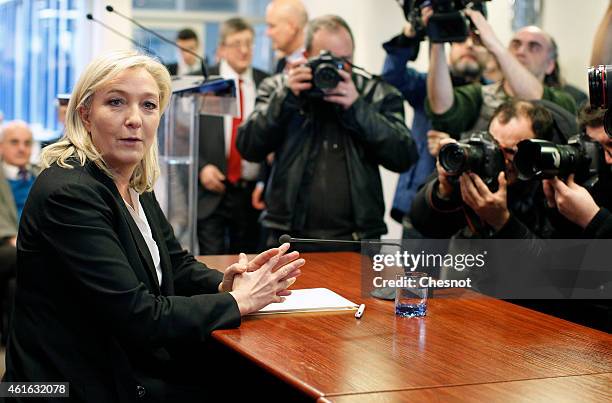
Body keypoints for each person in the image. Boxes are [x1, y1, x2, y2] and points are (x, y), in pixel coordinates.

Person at [3, 50, 304, 402]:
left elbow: (175, 264)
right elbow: (139, 315)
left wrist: (231, 282)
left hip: (117, 362)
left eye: (148, 106)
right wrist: (239, 301)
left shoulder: (129, 179)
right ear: (84, 114)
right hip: (64, 386)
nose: (135, 119)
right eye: (116, 103)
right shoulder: (69, 192)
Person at [237, 15, 417, 250]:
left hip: (357, 239)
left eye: (345, 60)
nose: (338, 69)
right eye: (328, 60)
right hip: (289, 237)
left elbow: (403, 156)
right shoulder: (278, 88)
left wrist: (357, 107)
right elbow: (249, 146)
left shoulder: (375, 92)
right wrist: (286, 99)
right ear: (308, 56)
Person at [382, 7, 488, 239]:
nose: (470, 46)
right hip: (421, 202)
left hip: (474, 211)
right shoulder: (425, 86)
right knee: (415, 275)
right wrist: (410, 34)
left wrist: (455, 147)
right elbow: (391, 78)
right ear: (449, 47)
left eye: (477, 41)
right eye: (461, 39)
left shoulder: (494, 97)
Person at [411, 100, 555, 240]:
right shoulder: (473, 158)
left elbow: (545, 260)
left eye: (510, 152)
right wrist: (443, 191)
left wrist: (501, 221)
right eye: (493, 145)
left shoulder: (550, 188)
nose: (498, 157)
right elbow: (423, 225)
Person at [427, 9, 576, 138]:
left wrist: (493, 43)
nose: (521, 51)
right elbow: (442, 109)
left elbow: (537, 100)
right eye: (516, 44)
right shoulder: (481, 95)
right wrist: (437, 41)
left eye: (533, 47)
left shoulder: (563, 101)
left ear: (550, 65)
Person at [197, 18, 269, 254]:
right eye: (237, 43)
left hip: (252, 192)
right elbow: (182, 133)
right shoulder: (205, 81)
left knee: (249, 261)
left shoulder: (265, 82)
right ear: (222, 48)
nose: (245, 50)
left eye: (249, 43)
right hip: (212, 187)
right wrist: (201, 167)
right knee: (213, 263)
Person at [543, 105, 612, 238]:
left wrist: (593, 219)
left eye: (611, 145)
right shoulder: (592, 183)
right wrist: (557, 210)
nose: (606, 159)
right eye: (596, 148)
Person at [0, 120, 37, 344]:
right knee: (18, 256)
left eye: (27, 143)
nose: (22, 148)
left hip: (29, 247)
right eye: (15, 142)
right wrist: (13, 237)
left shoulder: (42, 175)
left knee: (16, 283)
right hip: (5, 246)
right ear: (1, 146)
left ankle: (15, 341)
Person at [265, 0, 308, 73]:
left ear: (292, 28)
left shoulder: (312, 62)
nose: (267, 33)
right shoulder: (281, 63)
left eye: (272, 26)